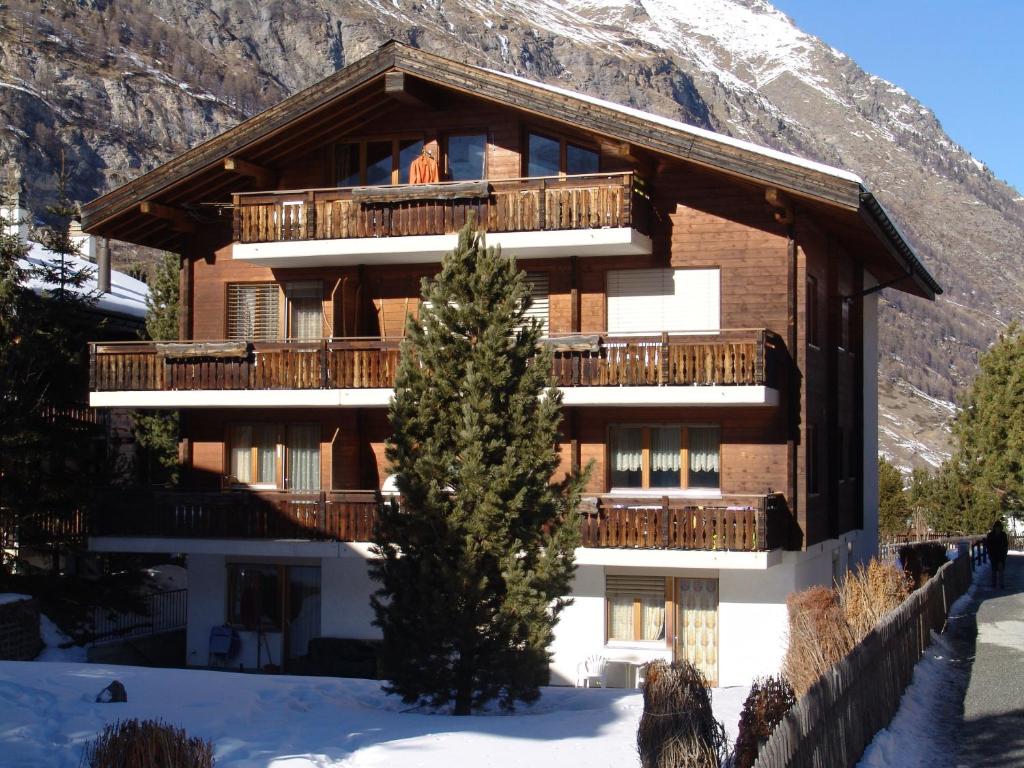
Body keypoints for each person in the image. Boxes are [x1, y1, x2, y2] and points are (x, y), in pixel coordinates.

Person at [986, 520, 1009, 588]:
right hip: (993, 555)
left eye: (999, 527)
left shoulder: (1003, 534)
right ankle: (994, 584)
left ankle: (1001, 584)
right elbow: (988, 545)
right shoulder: (990, 535)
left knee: (1001, 570)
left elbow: (1005, 545)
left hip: (1001, 555)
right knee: (993, 571)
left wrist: (1005, 554)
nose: (998, 528)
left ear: (1001, 528)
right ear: (994, 527)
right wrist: (990, 554)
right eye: (997, 527)